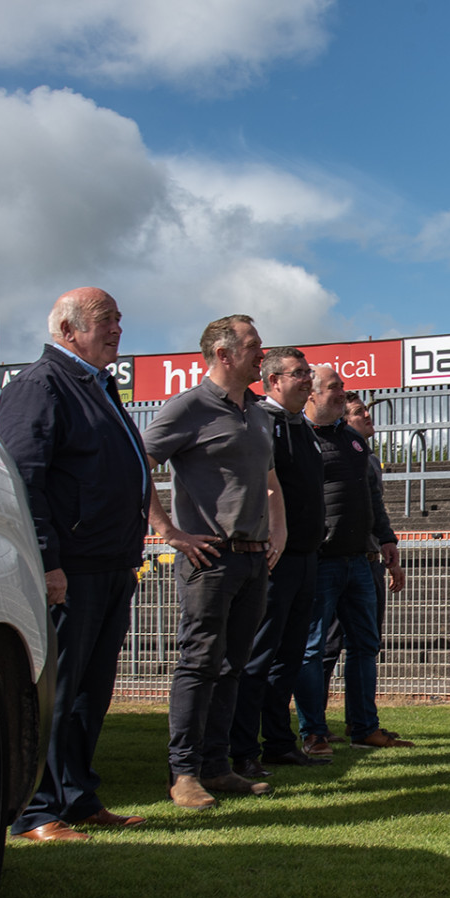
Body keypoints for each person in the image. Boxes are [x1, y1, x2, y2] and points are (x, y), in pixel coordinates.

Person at [0, 288, 151, 842]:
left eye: (118, 320)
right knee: (56, 694)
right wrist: (47, 562)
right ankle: (34, 811)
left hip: (110, 566)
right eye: (105, 321)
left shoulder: (97, 387)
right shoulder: (41, 387)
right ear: (68, 330)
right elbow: (23, 477)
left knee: (90, 692)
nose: (116, 330)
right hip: (71, 570)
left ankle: (78, 797)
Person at [142, 315, 288, 809]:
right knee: (200, 664)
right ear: (223, 355)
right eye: (253, 346)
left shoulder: (259, 411)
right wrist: (168, 532)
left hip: (252, 559)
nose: (261, 354)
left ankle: (216, 767)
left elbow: (269, 477)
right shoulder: (188, 407)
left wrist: (277, 530)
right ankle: (183, 773)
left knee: (233, 667)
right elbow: (137, 464)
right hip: (209, 558)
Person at [294, 370, 407, 752]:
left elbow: (371, 497)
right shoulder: (295, 435)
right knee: (313, 648)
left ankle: (364, 727)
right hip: (320, 561)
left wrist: (387, 538)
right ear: (311, 394)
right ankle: (313, 731)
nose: (343, 394)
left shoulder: (354, 442)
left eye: (342, 388)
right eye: (335, 388)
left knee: (365, 646)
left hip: (361, 560)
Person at [228, 347, 328, 778]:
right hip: (274, 558)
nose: (307, 380)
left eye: (308, 373)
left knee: (288, 655)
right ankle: (242, 749)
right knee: (259, 656)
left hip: (306, 557)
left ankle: (279, 742)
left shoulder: (300, 426)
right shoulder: (260, 422)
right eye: (298, 374)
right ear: (272, 381)